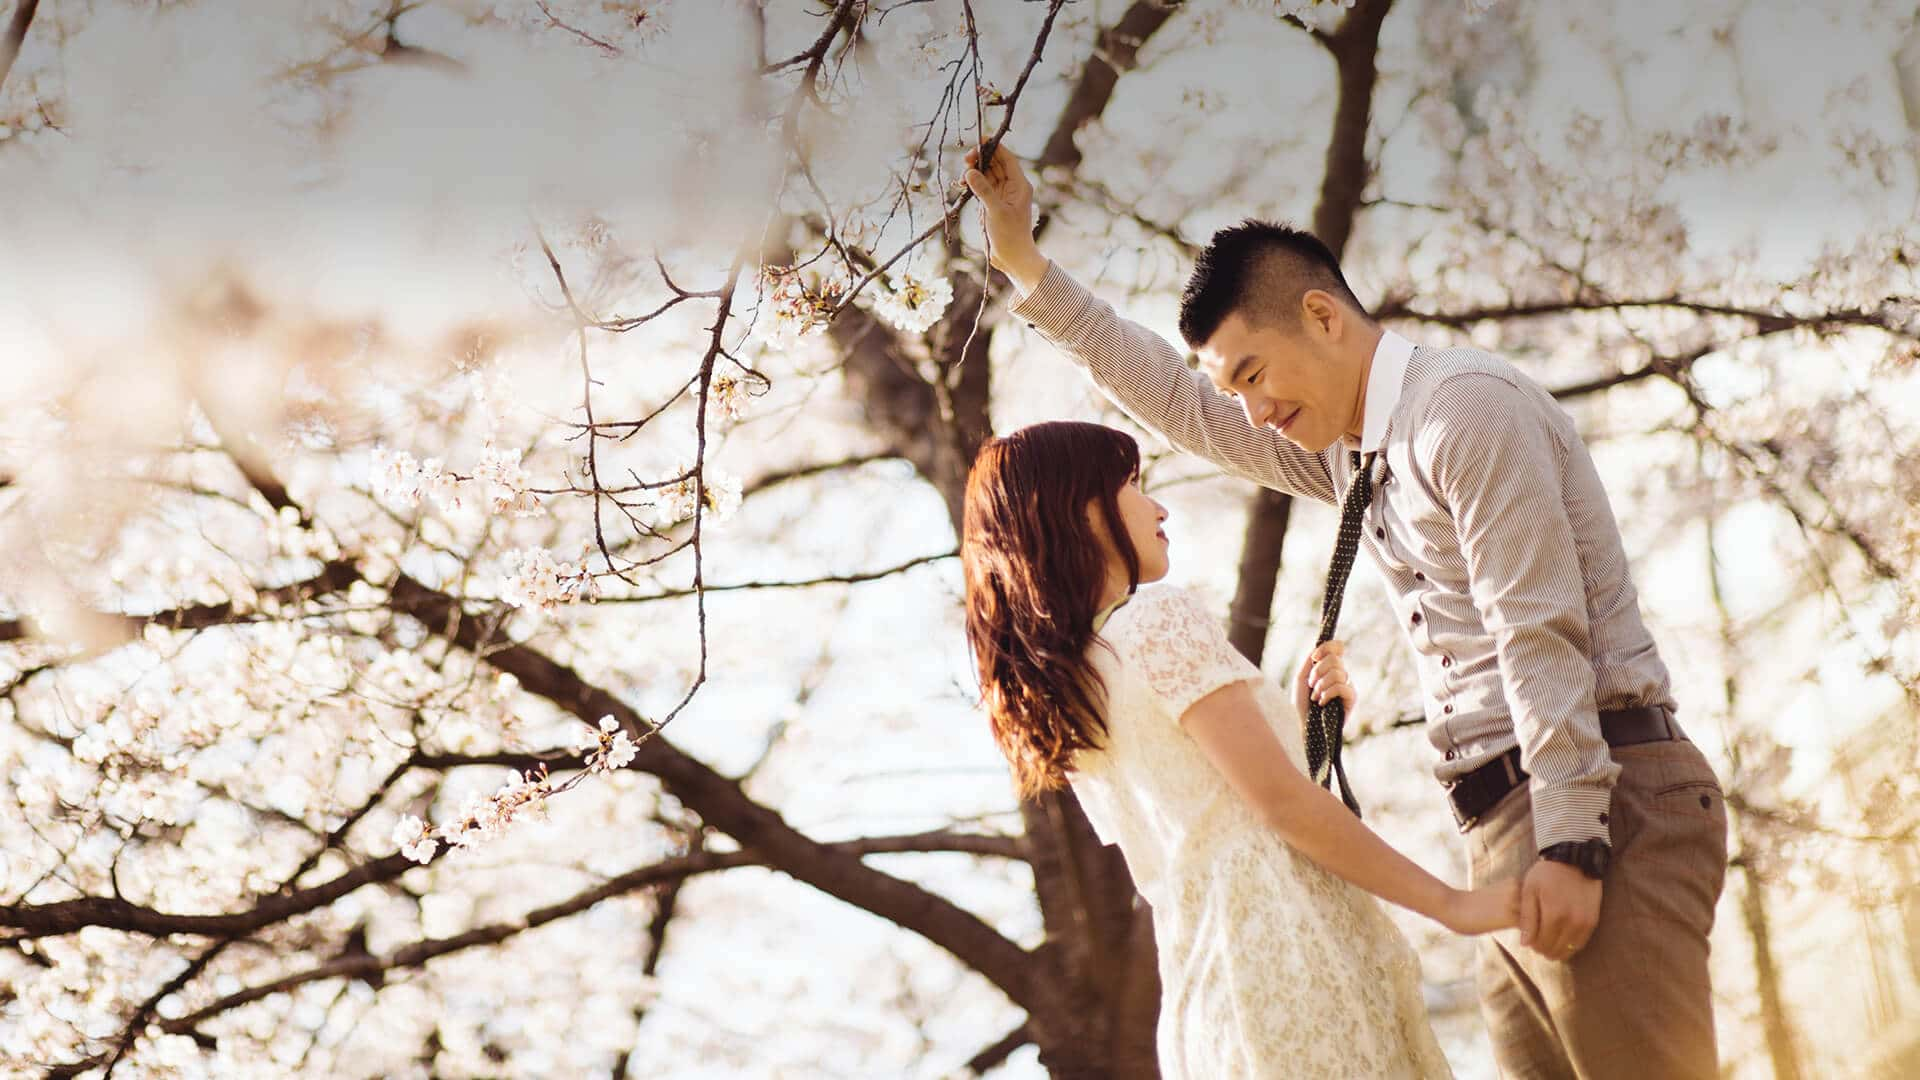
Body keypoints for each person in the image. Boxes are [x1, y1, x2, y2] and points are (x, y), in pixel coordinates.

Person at [965, 146, 1730, 1080]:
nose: (1248, 412)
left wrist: (1573, 833)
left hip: (1597, 796)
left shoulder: (1461, 414)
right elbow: (1176, 404)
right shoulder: (1349, 456)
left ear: (1322, 316)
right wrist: (1029, 271)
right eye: (1233, 391)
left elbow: (1539, 628)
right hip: (1502, 828)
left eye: (1253, 375)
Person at [961, 419, 1518, 1078]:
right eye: (1133, 485)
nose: (1159, 507)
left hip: (1209, 1002)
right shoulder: (1156, 619)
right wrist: (1452, 905)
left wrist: (1301, 728)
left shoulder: (1072, 685)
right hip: (1295, 957)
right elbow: (1277, 811)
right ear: (1082, 512)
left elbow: (1213, 815)